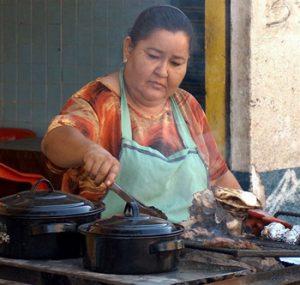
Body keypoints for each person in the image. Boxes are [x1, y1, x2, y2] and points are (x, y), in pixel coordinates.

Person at [41, 5, 241, 223]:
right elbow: (54, 141)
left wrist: (252, 215)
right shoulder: (98, 101)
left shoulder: (186, 105)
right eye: (153, 56)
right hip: (114, 246)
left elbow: (219, 175)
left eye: (176, 63)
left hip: (190, 245)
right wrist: (89, 150)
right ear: (128, 49)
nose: (163, 71)